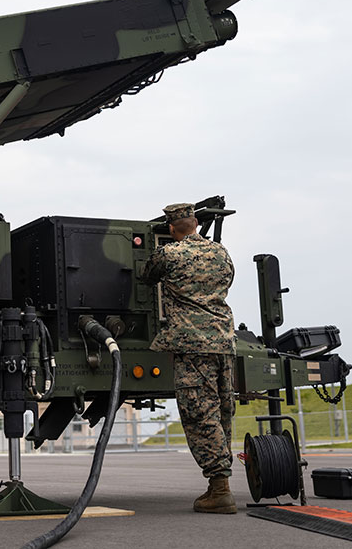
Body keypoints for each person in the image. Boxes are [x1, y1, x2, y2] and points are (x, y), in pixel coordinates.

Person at [141, 203, 237, 514]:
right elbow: (227, 282)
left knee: (200, 413)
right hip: (223, 341)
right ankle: (219, 484)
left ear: (171, 228)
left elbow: (146, 276)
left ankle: (220, 489)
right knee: (222, 410)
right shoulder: (221, 253)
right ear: (195, 223)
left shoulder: (169, 254)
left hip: (192, 345)